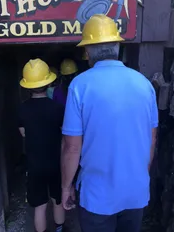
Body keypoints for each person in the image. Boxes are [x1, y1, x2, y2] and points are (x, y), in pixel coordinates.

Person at [61, 15, 158, 232]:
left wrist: (66, 187)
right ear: (117, 47)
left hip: (97, 196)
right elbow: (151, 139)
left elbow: (72, 147)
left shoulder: (79, 86)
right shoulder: (144, 84)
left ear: (87, 52)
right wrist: (140, 175)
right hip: (135, 192)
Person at [18, 59, 65, 232]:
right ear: (49, 82)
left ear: (27, 86)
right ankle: (59, 230)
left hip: (34, 164)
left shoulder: (22, 109)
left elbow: (23, 132)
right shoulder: (57, 108)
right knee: (57, 200)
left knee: (40, 206)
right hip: (55, 163)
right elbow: (66, 135)